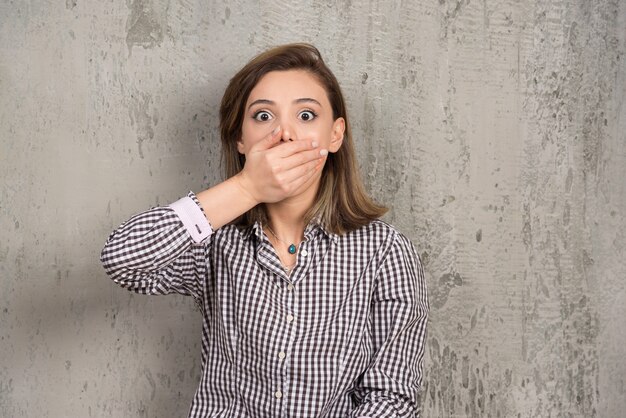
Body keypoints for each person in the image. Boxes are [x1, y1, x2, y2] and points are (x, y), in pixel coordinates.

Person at [101, 43, 429, 418]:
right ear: (241, 139)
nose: (284, 134)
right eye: (262, 117)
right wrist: (246, 188)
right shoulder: (213, 243)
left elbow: (391, 399)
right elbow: (121, 260)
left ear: (335, 135)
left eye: (306, 115)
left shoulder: (385, 252)